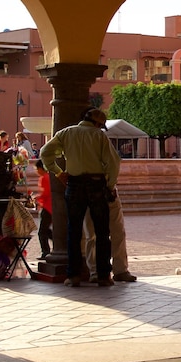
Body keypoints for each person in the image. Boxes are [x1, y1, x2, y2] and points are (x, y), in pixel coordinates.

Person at [39, 108, 122, 287]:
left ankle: (73, 275)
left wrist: (58, 172)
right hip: (96, 185)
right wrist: (109, 185)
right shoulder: (99, 136)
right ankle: (103, 275)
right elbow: (113, 163)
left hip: (74, 185)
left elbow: (45, 152)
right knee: (101, 232)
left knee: (73, 231)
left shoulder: (66, 133)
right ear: (98, 124)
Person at [83, 190, 137, 283]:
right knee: (91, 235)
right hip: (89, 192)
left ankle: (120, 270)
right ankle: (95, 271)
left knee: (118, 232)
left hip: (109, 192)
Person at [33, 159, 53, 260]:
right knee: (46, 230)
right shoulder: (49, 177)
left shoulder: (44, 178)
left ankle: (45, 251)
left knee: (42, 232)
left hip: (46, 207)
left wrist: (36, 197)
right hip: (50, 207)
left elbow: (45, 193)